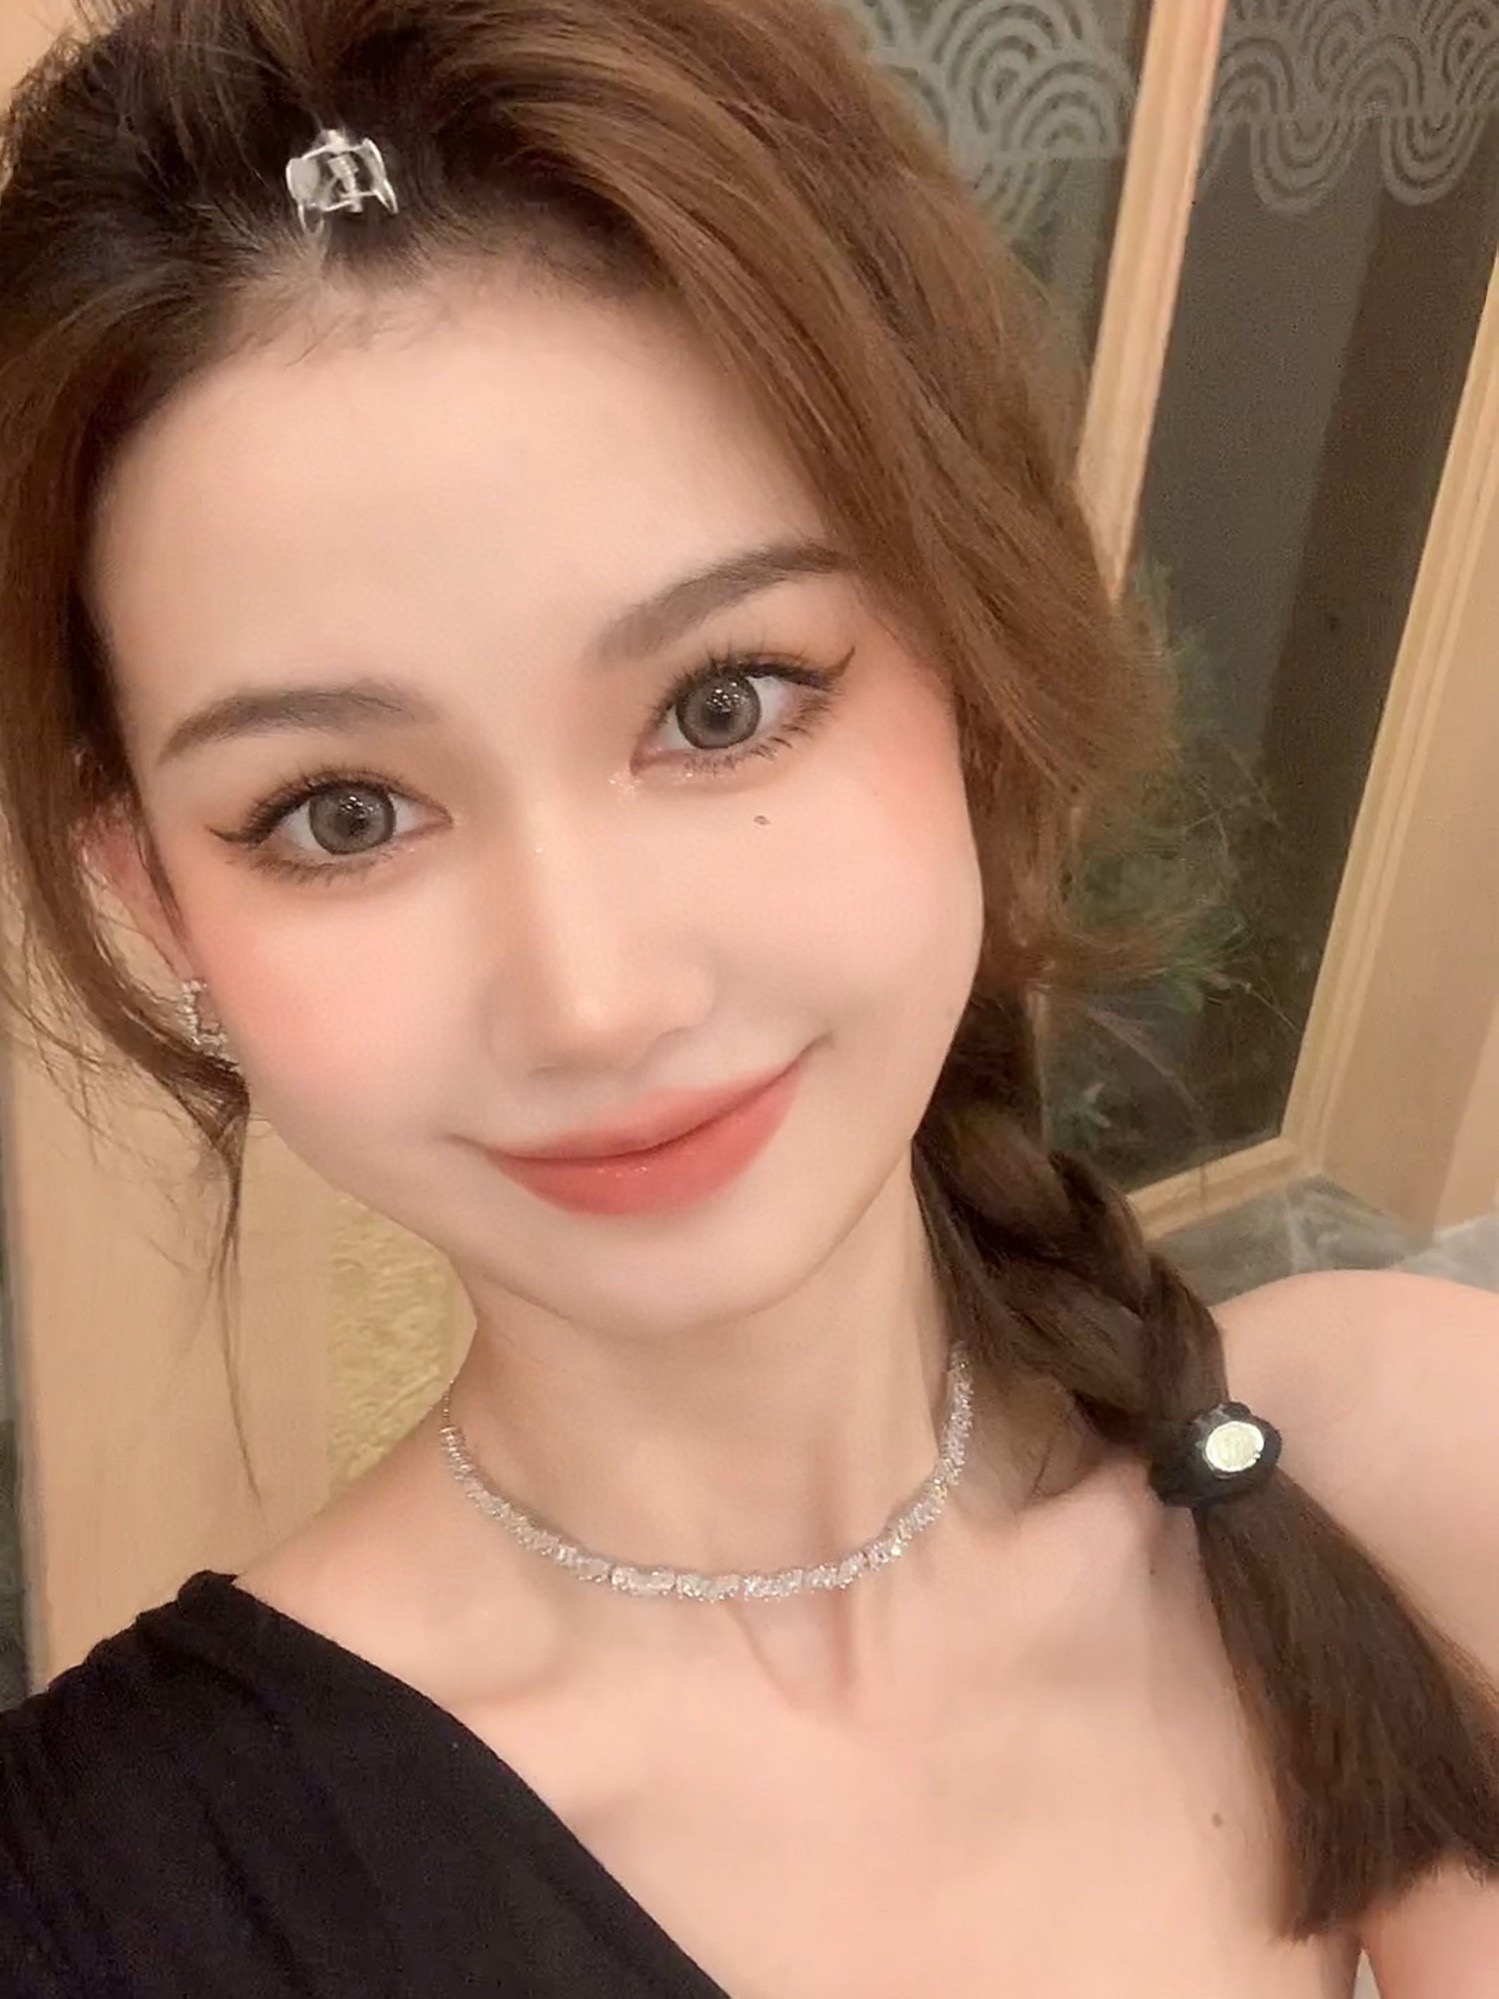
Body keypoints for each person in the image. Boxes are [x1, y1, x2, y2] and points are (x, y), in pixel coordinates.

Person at [0, 0, 1495, 1991]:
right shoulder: (108, 1897)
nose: (595, 1000)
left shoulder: (1399, 1470)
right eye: (341, 813)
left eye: (724, 703)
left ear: (973, 665)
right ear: (159, 900)